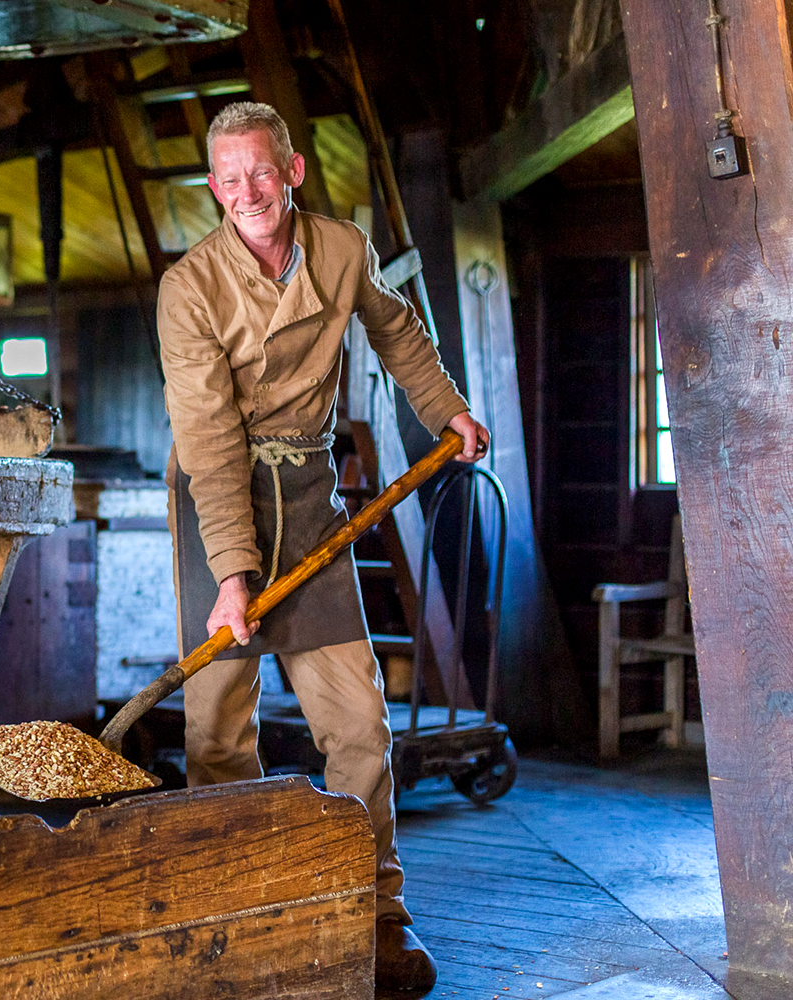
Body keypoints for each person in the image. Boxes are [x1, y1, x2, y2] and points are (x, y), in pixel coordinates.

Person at [157, 101, 489, 994]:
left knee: (359, 725)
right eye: (228, 180)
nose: (247, 193)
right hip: (215, 501)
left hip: (309, 494)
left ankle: (377, 917)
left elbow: (397, 333)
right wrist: (233, 575)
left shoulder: (341, 249)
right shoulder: (189, 288)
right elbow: (212, 441)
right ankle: (230, 918)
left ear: (291, 170)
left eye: (261, 173)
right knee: (218, 726)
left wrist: (445, 409)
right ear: (215, 189)